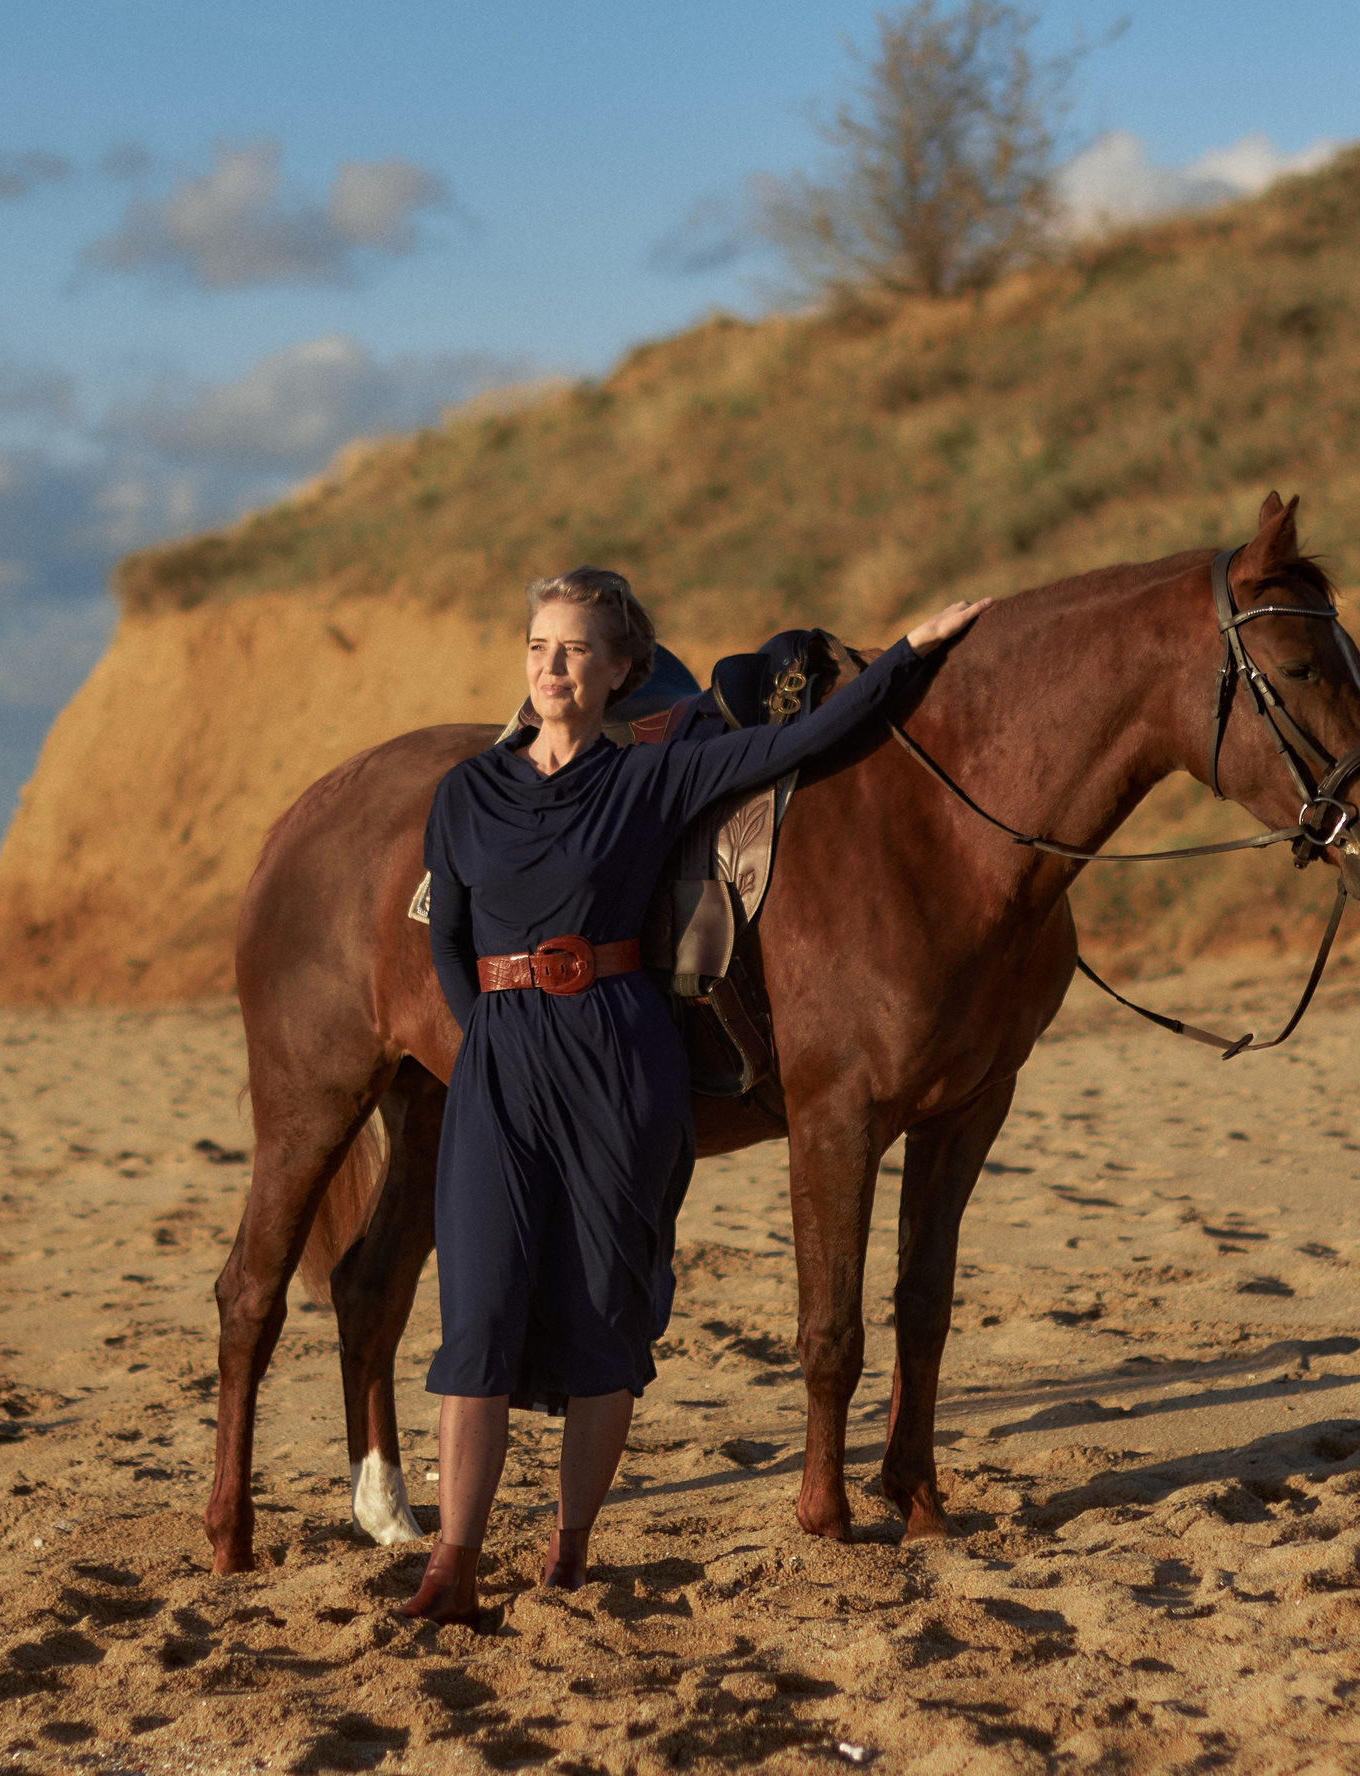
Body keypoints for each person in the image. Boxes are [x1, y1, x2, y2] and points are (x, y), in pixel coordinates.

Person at [398, 565, 991, 1625]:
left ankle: (571, 1550)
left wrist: (908, 652)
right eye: (538, 646)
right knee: (476, 1312)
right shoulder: (467, 792)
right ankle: (450, 1563)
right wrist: (488, 1025)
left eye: (575, 649)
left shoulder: (645, 780)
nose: (551, 667)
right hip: (500, 1060)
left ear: (623, 670)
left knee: (604, 1316)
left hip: (618, 1058)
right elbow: (445, 938)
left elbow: (796, 742)